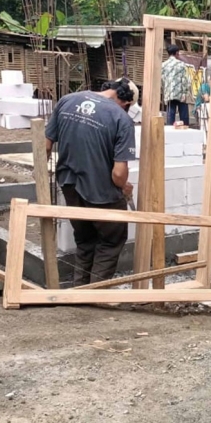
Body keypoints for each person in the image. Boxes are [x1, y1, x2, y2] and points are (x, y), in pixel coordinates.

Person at [45, 78, 137, 286]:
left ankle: (80, 290)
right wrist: (124, 186)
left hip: (69, 185)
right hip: (102, 192)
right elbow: (118, 174)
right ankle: (95, 293)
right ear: (126, 102)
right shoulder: (120, 118)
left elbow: (46, 146)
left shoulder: (67, 100)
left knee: (85, 240)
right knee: (110, 241)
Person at [161, 45, 191, 126]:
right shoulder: (181, 64)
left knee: (170, 115)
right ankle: (185, 129)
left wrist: (166, 89)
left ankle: (170, 129)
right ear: (177, 53)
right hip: (181, 94)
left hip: (169, 94)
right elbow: (185, 80)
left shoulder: (163, 65)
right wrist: (185, 93)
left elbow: (162, 80)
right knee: (184, 117)